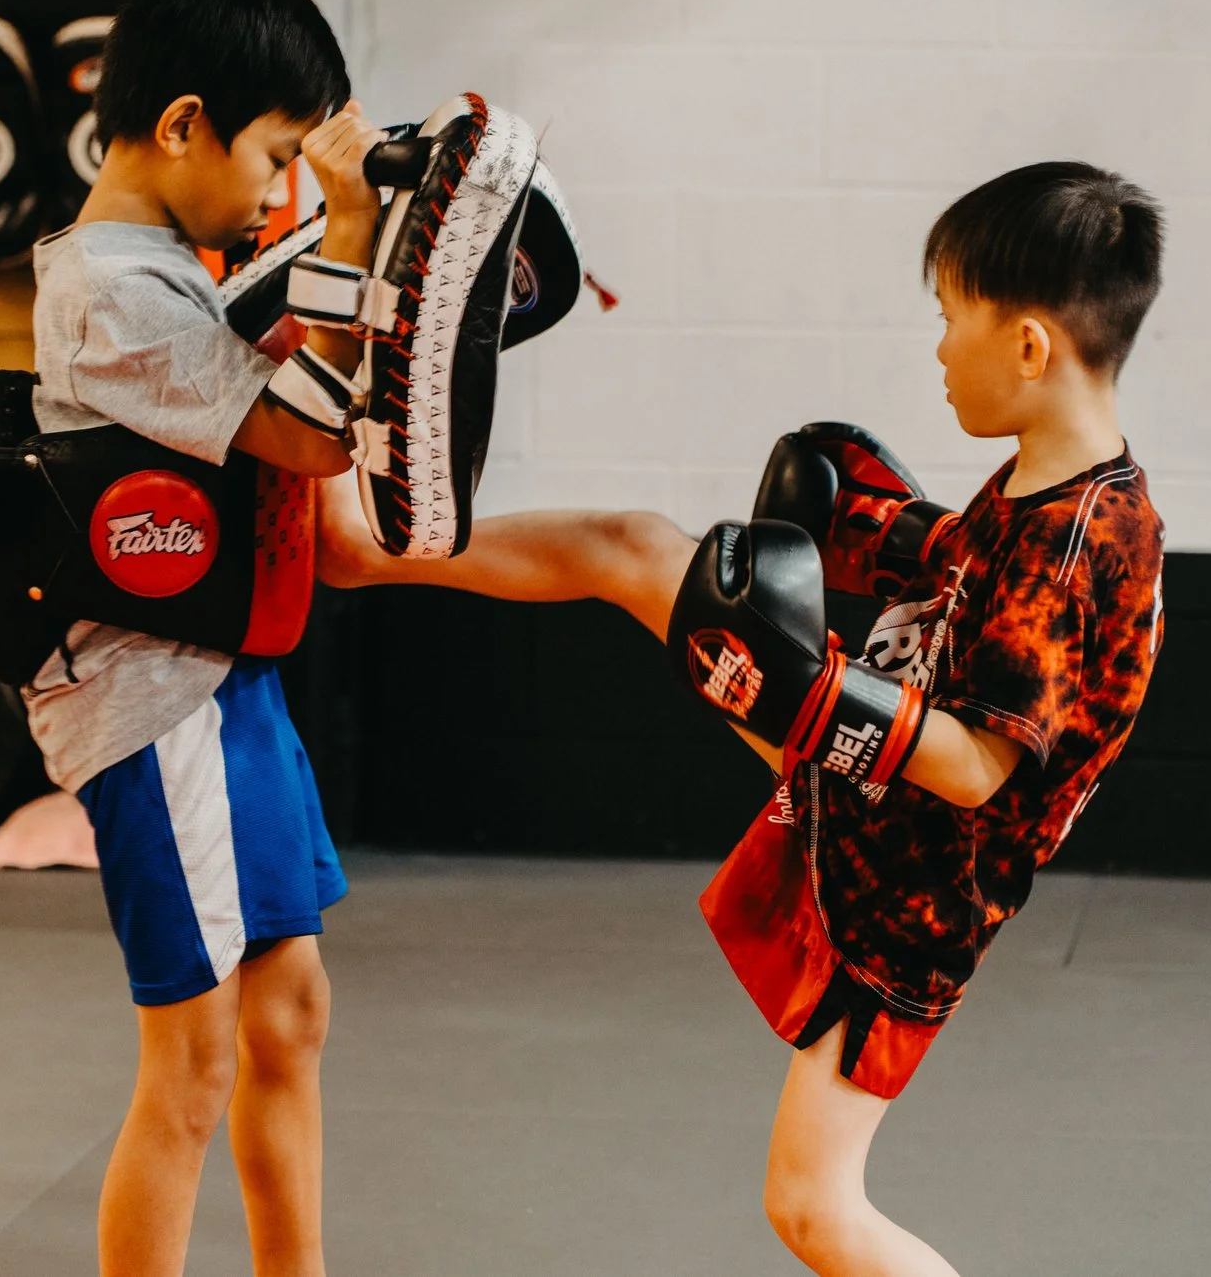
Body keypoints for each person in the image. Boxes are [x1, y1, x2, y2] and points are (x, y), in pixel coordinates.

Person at [320, 160, 1168, 1277]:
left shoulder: (1082, 542)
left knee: (814, 1207)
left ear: (1027, 346)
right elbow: (967, 580)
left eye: (949, 317)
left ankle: (357, 545)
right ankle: (359, 543)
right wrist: (878, 523)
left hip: (905, 898)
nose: (936, 347)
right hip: (867, 807)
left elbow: (974, 769)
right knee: (626, 546)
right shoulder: (1044, 485)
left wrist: (806, 690)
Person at [30, 0, 389, 1277]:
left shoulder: (176, 263)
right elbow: (307, 437)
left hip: (227, 682)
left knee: (289, 1012)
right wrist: (346, 235)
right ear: (183, 123)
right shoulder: (108, 287)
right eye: (274, 154)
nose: (278, 188)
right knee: (193, 1058)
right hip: (155, 700)